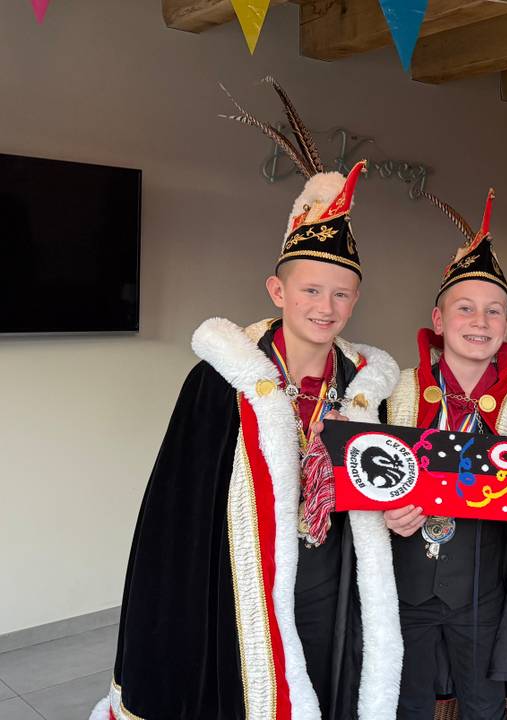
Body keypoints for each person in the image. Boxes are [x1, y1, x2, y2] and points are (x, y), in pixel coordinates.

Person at [93, 81, 403, 720]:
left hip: (335, 582)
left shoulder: (370, 385)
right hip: (240, 590)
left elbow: (398, 480)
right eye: (311, 291)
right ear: (277, 291)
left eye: (341, 294)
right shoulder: (225, 378)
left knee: (330, 690)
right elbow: (177, 517)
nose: (326, 307)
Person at [380, 189, 507, 719]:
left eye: (493, 311)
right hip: (401, 585)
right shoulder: (396, 390)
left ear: (506, 324)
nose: (479, 321)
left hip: (482, 588)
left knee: (483, 706)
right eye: (465, 308)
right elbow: (362, 477)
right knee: (401, 703)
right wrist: (382, 512)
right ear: (439, 318)